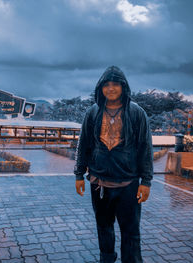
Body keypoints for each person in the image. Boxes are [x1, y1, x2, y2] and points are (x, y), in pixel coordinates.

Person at [74, 66, 153, 263]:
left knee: (131, 233)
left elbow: (145, 147)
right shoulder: (92, 113)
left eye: (115, 84)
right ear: (100, 88)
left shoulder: (137, 113)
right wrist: (78, 174)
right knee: (104, 229)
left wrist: (147, 181)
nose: (110, 88)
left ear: (123, 87)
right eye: (106, 85)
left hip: (129, 184)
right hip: (99, 183)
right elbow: (83, 145)